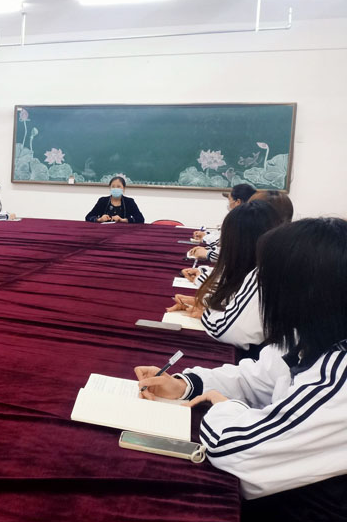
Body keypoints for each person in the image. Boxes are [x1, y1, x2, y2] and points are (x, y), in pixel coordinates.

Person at [137, 218, 347, 521]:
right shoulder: (308, 335)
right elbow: (257, 378)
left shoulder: (339, 375)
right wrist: (187, 385)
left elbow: (233, 449)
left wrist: (223, 406)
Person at [169, 201, 283, 356]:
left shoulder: (262, 274)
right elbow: (234, 295)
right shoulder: (267, 263)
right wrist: (205, 301)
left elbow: (225, 329)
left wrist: (206, 311)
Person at [191, 183, 258, 256]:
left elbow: (227, 247)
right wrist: (206, 235)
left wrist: (206, 253)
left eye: (229, 199)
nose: (228, 203)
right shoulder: (254, 215)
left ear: (238, 202)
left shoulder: (241, 221)